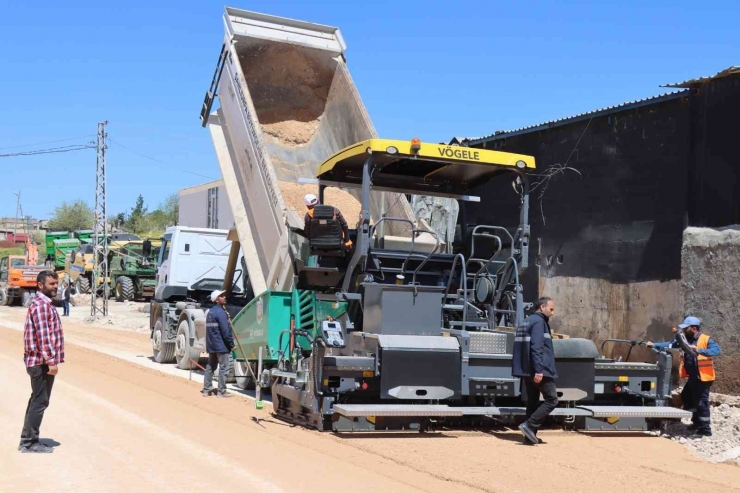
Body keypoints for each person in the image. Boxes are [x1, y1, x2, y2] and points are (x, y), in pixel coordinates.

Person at [648, 316, 720, 437]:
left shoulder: (706, 339)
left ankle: (705, 430)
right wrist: (654, 345)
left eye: (685, 328)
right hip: (693, 377)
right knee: (687, 397)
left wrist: (699, 349)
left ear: (693, 328)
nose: (683, 331)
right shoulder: (685, 339)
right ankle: (696, 422)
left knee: (701, 402)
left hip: (703, 377)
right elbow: (670, 344)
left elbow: (717, 350)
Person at [19, 270, 64, 453]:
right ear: (40, 285)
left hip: (39, 361)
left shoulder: (41, 303)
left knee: (37, 400)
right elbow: (43, 338)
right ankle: (30, 443)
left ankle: (27, 439)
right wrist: (51, 362)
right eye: (51, 284)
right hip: (41, 362)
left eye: (56, 283)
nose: (55, 287)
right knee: (40, 401)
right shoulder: (41, 306)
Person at [512, 296, 559, 445]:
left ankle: (529, 436)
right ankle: (529, 425)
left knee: (532, 402)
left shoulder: (526, 321)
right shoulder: (539, 322)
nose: (552, 313)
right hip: (540, 369)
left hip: (527, 370)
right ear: (542, 307)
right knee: (552, 399)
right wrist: (539, 370)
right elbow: (536, 347)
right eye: (551, 309)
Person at [202, 289, 236, 398]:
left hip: (212, 345)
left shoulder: (210, 312)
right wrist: (231, 344)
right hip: (221, 346)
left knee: (210, 367)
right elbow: (226, 332)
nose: (224, 297)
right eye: (221, 296)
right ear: (217, 300)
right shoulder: (221, 313)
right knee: (224, 368)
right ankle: (221, 391)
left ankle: (207, 390)